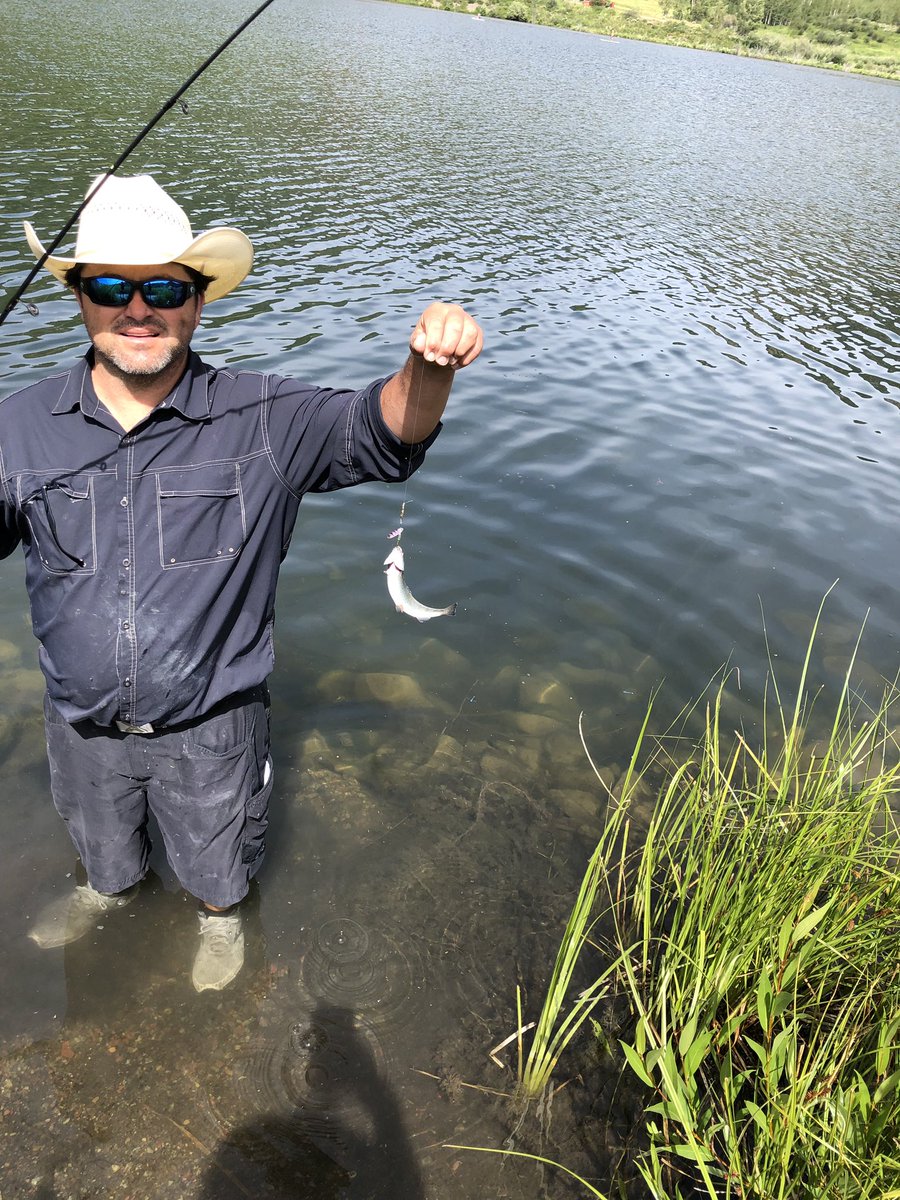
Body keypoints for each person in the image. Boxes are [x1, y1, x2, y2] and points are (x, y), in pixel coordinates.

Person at [0, 174, 482, 992]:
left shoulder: (266, 419)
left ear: (197, 300)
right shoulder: (16, 427)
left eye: (163, 288)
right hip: (79, 727)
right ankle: (101, 892)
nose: (138, 307)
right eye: (111, 286)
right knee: (102, 849)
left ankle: (218, 919)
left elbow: (382, 430)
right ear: (79, 297)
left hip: (213, 732)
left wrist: (426, 364)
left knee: (220, 870)